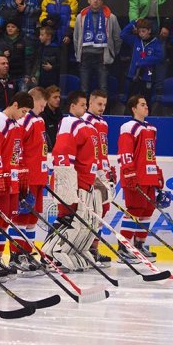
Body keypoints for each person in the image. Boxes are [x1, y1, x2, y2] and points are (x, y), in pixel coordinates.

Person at [41, 90, 100, 271]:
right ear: (72, 106)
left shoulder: (89, 126)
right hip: (75, 180)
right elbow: (62, 153)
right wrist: (67, 184)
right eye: (81, 105)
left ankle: (73, 250)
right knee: (67, 216)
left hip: (86, 181)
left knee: (84, 222)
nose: (84, 108)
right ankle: (48, 253)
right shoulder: (69, 123)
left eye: (85, 105)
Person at [0, 90, 33, 277]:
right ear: (15, 105)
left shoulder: (15, 125)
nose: (24, 115)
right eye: (24, 111)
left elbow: (16, 154)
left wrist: (19, 176)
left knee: (5, 221)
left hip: (10, 179)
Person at [117, 94, 164, 262]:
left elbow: (151, 155)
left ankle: (139, 244)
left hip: (149, 177)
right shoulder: (129, 127)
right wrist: (129, 173)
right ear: (134, 108)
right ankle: (123, 247)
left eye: (146, 104)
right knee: (134, 210)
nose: (146, 107)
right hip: (136, 177)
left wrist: (157, 174)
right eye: (142, 104)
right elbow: (125, 152)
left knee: (147, 211)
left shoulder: (151, 129)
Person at [9, 86, 49, 274]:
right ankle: (16, 254)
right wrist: (21, 173)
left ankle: (27, 252)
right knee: (21, 217)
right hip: (27, 177)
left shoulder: (38, 121)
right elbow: (17, 148)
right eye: (41, 104)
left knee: (32, 219)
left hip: (38, 177)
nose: (43, 108)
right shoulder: (25, 121)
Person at [83, 89, 114, 267]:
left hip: (102, 171)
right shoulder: (85, 121)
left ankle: (94, 248)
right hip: (91, 172)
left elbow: (103, 150)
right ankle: (86, 248)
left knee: (103, 210)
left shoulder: (103, 123)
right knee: (91, 211)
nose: (102, 107)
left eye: (104, 104)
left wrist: (107, 168)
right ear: (90, 102)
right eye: (99, 104)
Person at [73, 0, 122, 93]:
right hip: (85, 56)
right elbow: (76, 37)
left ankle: (102, 109)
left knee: (103, 88)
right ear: (88, 0)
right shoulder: (80, 17)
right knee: (84, 89)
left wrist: (113, 53)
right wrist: (78, 52)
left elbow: (117, 37)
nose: (95, 1)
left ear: (102, 2)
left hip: (101, 57)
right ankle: (84, 109)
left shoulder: (111, 17)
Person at [39, 0, 78, 76]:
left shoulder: (71, 1)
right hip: (51, 37)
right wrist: (46, 21)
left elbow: (73, 20)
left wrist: (68, 34)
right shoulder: (46, 0)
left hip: (64, 36)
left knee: (63, 64)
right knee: (49, 63)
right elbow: (42, 16)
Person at [120, 18, 164, 100]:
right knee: (130, 100)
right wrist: (134, 22)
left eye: (143, 31)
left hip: (147, 76)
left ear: (149, 31)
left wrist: (144, 61)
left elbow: (159, 57)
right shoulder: (135, 40)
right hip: (133, 75)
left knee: (146, 100)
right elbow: (122, 34)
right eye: (139, 31)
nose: (141, 34)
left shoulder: (155, 42)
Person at [41, 84, 62, 150]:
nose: (58, 99)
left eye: (59, 97)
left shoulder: (59, 113)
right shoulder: (42, 115)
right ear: (47, 99)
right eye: (55, 97)